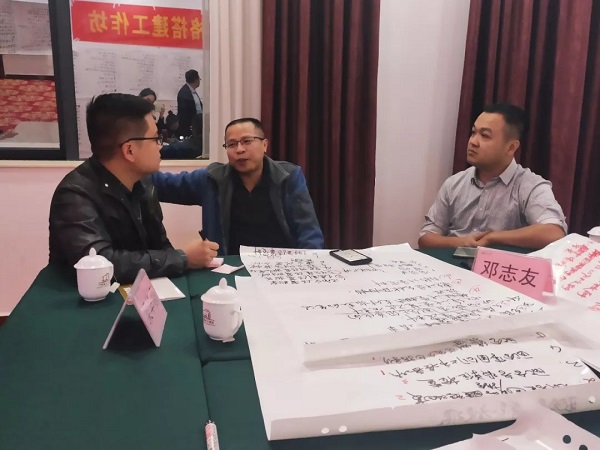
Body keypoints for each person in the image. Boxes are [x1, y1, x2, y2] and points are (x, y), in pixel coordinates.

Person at [48, 93, 219, 283]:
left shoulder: (143, 183)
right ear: (129, 150)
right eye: (155, 138)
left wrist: (180, 259)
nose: (160, 146)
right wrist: (183, 258)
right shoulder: (75, 195)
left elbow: (160, 245)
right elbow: (100, 265)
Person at [151, 117, 324, 255]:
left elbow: (308, 231)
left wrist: (306, 267)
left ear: (264, 145)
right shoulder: (213, 179)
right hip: (229, 268)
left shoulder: (288, 177)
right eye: (232, 144)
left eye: (247, 141)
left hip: (278, 267)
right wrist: (138, 164)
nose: (239, 149)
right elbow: (164, 184)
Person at [418, 103, 567, 250]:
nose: (473, 142)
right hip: (451, 262)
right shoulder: (454, 183)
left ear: (511, 147)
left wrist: (493, 238)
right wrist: (463, 242)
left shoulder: (530, 185)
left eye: (484, 136)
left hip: (499, 264)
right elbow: (426, 238)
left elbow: (554, 233)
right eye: (473, 132)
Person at [177, 69, 202, 138]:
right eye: (199, 78)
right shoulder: (184, 93)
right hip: (189, 128)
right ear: (195, 80)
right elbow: (184, 114)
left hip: (196, 125)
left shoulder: (192, 91)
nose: (200, 80)